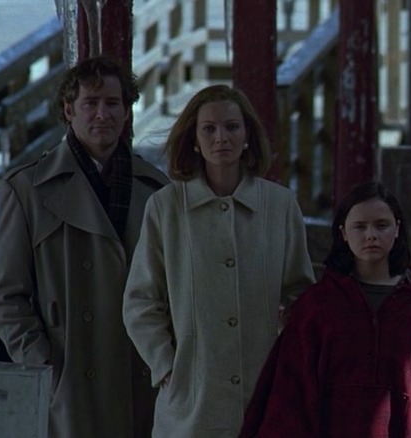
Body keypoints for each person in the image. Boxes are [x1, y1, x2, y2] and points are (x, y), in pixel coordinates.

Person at [0, 55, 168, 438]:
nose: (102, 114)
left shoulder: (157, 190)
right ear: (69, 110)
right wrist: (43, 363)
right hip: (70, 379)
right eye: (90, 103)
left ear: (127, 111)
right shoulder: (26, 189)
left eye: (113, 103)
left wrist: (167, 360)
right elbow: (6, 295)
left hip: (142, 374)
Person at [122, 84, 316, 437]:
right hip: (192, 399)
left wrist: (288, 360)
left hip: (265, 390)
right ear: (194, 139)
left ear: (247, 135)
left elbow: (300, 293)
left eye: (231, 127)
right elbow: (140, 301)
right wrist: (167, 366)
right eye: (208, 129)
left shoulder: (280, 205)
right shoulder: (166, 208)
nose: (221, 137)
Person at [241, 181, 411, 437]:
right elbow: (291, 401)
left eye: (381, 225)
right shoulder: (317, 309)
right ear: (343, 232)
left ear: (397, 229)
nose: (371, 235)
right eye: (359, 227)